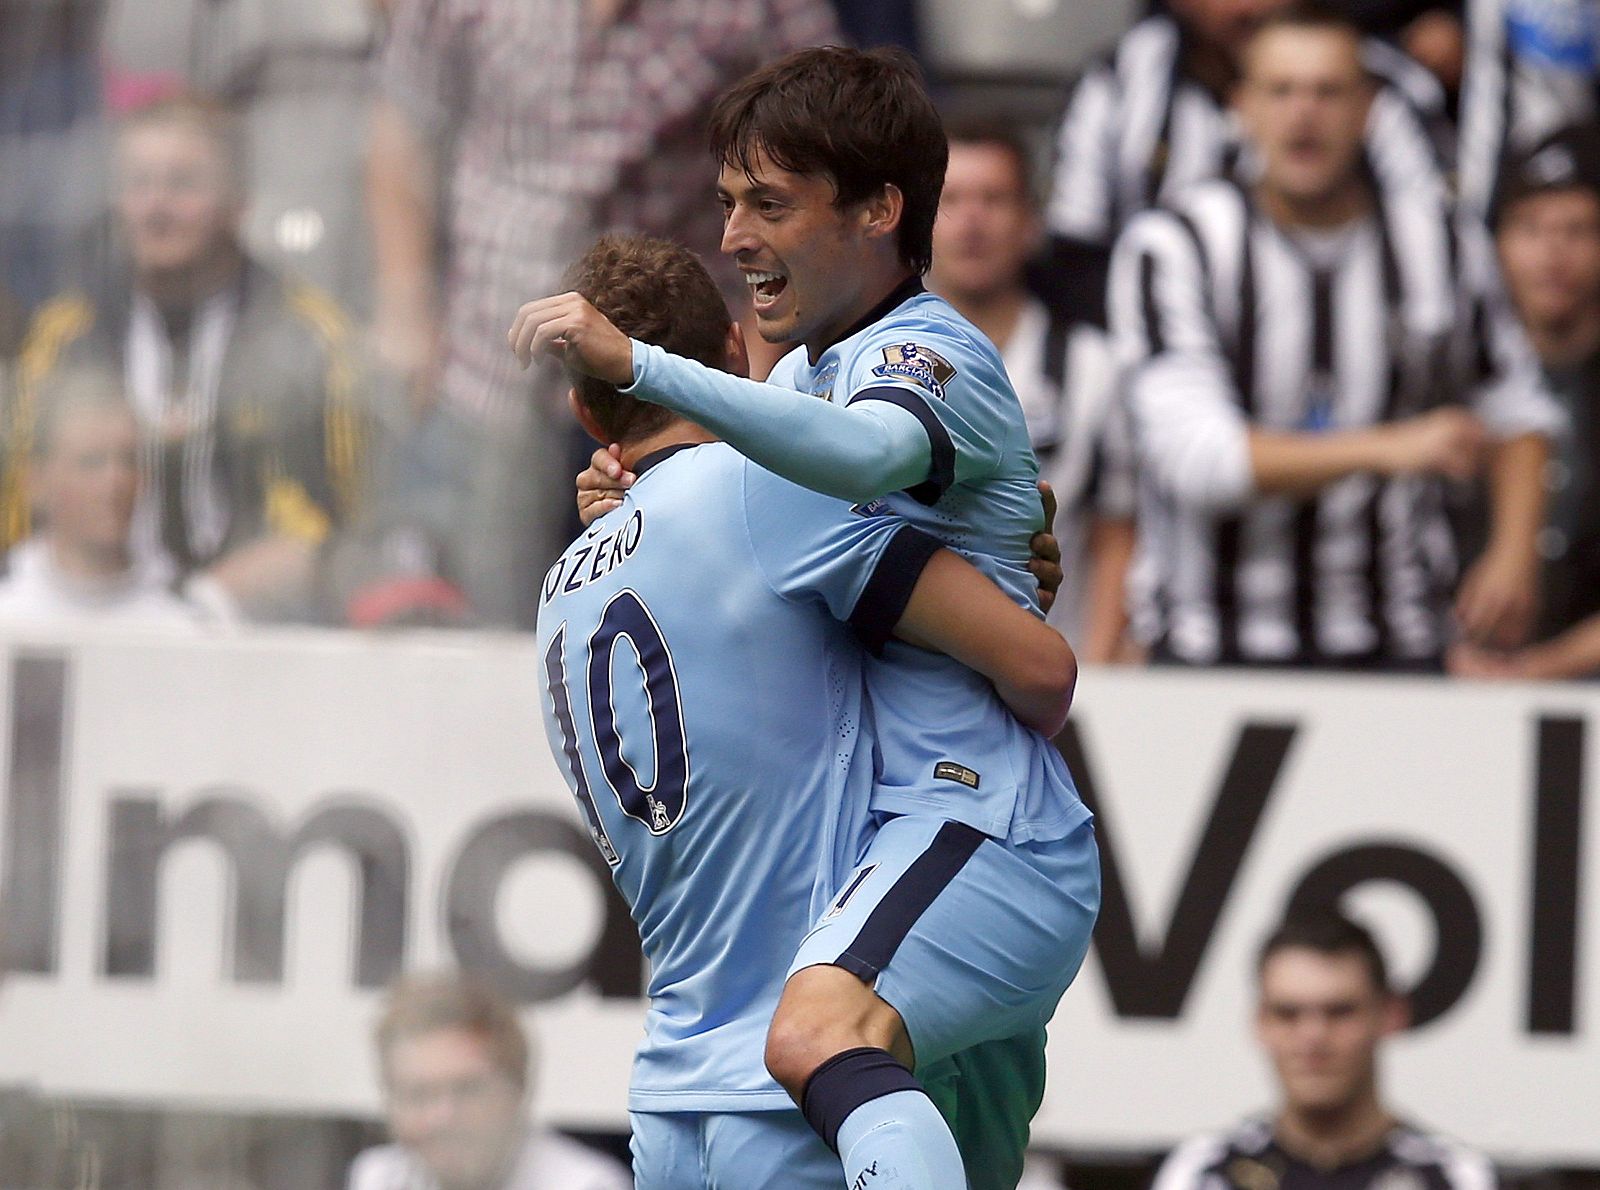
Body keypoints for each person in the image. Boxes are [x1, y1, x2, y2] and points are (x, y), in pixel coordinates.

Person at [513, 47, 1099, 1189]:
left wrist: (649, 375)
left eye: (769, 206)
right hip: (889, 858)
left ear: (882, 209)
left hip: (972, 822)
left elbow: (887, 473)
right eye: (729, 205)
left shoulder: (924, 347)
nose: (735, 237)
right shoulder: (788, 405)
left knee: (817, 1036)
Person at [1109, 4, 1564, 668]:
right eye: (1282, 90)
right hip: (1209, 645)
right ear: (1242, 106)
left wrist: (1515, 552)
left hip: (1398, 641)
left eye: (1328, 91)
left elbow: (1518, 407)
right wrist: (1393, 447)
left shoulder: (1437, 239)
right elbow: (1201, 460)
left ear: (1369, 108)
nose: (1304, 113)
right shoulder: (1175, 247)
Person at [367, 0, 838, 624]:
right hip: (487, 359)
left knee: (669, 614)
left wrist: (763, 349)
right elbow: (403, 126)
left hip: (675, 375)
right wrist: (405, 307)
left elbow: (818, 150)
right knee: (490, 616)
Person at [6, 95, 368, 623]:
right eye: (139, 184)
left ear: (238, 202)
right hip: (85, 612)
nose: (156, 208)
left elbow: (332, 533)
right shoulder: (64, 337)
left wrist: (200, 606)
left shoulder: (307, 338)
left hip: (250, 630)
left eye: (182, 185)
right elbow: (22, 504)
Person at [1043, 0, 1450, 327]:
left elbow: (1441, 249)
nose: (1248, 8)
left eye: (1326, 92)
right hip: (1152, 340)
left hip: (1363, 341)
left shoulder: (1385, 88)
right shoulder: (1121, 81)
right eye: (1280, 91)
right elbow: (1074, 252)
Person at [929, 120, 1136, 660]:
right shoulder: (861, 360)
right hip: (902, 686)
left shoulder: (1095, 366)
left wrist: (1100, 672)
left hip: (1055, 676)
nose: (972, 221)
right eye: (951, 200)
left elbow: (1117, 530)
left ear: (1031, 221)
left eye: (994, 199)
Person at [1149, 910, 1497, 1190]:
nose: (1313, 1037)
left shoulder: (1455, 1178)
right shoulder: (1201, 1173)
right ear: (1260, 1023)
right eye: (1288, 1014)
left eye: (1340, 1012)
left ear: (1391, 1015)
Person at [1453, 125, 1600, 680]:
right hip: (1444, 669)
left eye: (1578, 230)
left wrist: (1544, 668)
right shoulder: (1452, 376)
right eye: (1531, 228)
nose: (1552, 252)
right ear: (1497, 243)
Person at [349, 971, 632, 1190]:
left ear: (518, 1087)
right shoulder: (378, 1177)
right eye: (418, 1094)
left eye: (467, 1089)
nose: (442, 1117)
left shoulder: (586, 1185)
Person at [0, 367, 208, 627]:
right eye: (91, 462)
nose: (115, 482)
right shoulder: (7, 607)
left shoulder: (189, 619)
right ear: (36, 481)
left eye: (128, 460)